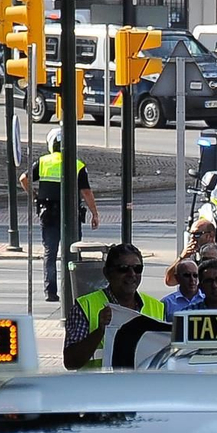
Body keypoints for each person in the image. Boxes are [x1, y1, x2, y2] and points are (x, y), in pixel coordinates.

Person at [20, 129, 98, 302]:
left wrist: (34, 195)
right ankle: (74, 289)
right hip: (71, 215)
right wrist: (94, 213)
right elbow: (86, 192)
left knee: (50, 252)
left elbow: (23, 179)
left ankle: (51, 292)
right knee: (73, 251)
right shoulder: (77, 164)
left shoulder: (43, 162)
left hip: (48, 214)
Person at [64, 243, 166, 370]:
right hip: (97, 387)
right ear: (107, 273)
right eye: (123, 268)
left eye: (137, 268)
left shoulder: (157, 307)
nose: (132, 274)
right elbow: (70, 362)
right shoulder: (85, 307)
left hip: (142, 387)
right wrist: (100, 331)